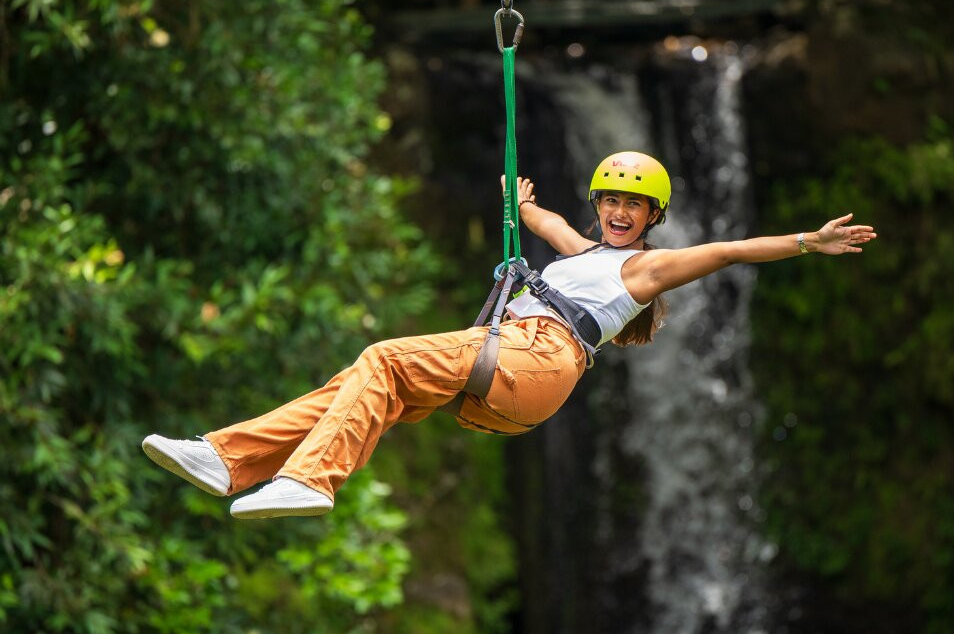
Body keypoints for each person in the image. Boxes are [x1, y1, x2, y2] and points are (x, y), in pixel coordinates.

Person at [143, 151, 876, 519]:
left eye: (636, 205)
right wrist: (515, 203)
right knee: (365, 386)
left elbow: (727, 252)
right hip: (516, 371)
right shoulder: (581, 252)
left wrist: (806, 242)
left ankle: (311, 478)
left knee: (383, 357)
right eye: (612, 200)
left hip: (538, 358)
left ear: (654, 218)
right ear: (601, 206)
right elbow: (545, 223)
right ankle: (224, 459)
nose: (621, 211)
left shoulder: (647, 271)